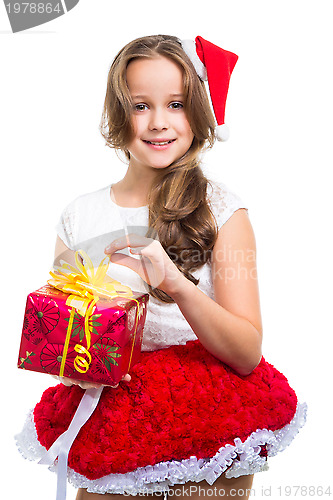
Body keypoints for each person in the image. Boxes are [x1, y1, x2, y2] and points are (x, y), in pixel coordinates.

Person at [16, 35, 306, 500]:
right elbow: (63, 341)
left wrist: (176, 282)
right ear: (117, 112)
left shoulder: (221, 210)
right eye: (139, 106)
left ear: (198, 110)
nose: (158, 123)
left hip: (208, 418)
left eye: (175, 104)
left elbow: (247, 352)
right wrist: (76, 367)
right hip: (114, 418)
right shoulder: (80, 216)